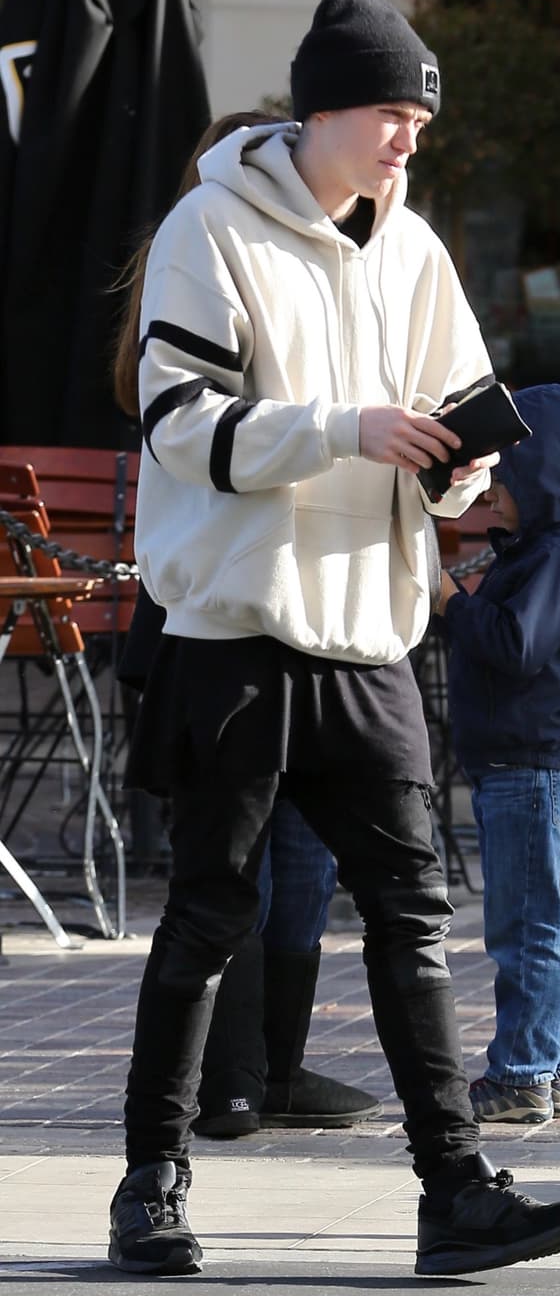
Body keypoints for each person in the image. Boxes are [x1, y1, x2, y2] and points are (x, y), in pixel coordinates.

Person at [107, 0, 560, 1278]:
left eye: (419, 119)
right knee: (207, 909)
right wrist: (347, 425)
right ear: (322, 106)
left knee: (411, 915)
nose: (407, 140)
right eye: (391, 112)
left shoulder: (415, 252)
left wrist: (450, 473)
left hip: (369, 637)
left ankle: (453, 1191)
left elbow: (458, 422)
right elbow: (177, 430)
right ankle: (150, 1180)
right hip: (236, 627)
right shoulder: (208, 231)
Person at [114, 112, 381, 1141]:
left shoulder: (230, 264)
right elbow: (185, 426)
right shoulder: (204, 258)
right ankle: (231, 1082)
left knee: (276, 868)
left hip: (262, 605)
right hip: (223, 609)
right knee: (241, 871)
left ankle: (258, 1070)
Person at [437, 385, 560, 1126]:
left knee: (524, 925)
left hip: (529, 763)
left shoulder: (556, 553)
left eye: (501, 483)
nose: (488, 497)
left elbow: (517, 646)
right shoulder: (540, 549)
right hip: (519, 761)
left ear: (541, 478)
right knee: (532, 918)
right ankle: (550, 1062)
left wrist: (451, 604)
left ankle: (525, 1069)